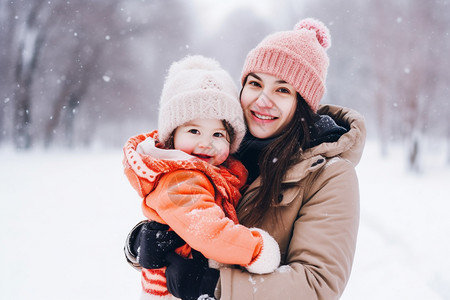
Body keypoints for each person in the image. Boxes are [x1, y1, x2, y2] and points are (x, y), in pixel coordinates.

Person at [127, 18, 366, 300]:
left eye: (282, 89)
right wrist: (142, 243)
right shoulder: (219, 145)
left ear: (302, 104)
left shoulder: (330, 175)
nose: (263, 100)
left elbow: (317, 285)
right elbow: (181, 206)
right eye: (255, 83)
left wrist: (212, 286)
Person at [122, 55, 281, 300]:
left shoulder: (220, 172)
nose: (206, 143)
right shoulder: (181, 177)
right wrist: (256, 249)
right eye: (194, 130)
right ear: (171, 136)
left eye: (218, 134)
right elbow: (208, 230)